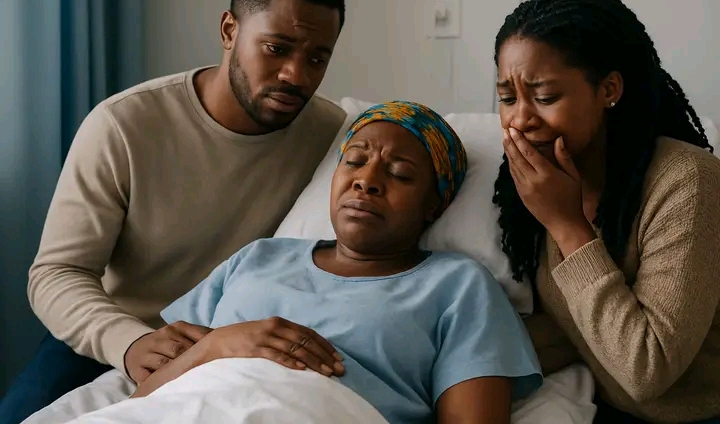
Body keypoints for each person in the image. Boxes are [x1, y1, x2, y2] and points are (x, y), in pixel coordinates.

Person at [0, 0, 348, 424]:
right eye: (276, 48)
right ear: (229, 31)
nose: (296, 75)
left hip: (237, 348)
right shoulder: (124, 125)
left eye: (317, 58)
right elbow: (57, 272)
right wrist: (130, 342)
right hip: (114, 336)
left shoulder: (331, 136)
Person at [86, 101, 542, 424]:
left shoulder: (458, 286)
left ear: (434, 205)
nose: (366, 181)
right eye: (355, 162)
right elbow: (147, 396)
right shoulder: (259, 256)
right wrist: (218, 344)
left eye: (399, 173)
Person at [491, 0, 720, 424]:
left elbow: (647, 371)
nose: (520, 118)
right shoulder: (540, 180)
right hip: (601, 408)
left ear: (609, 89)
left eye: (544, 97)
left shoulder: (688, 182)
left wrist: (567, 225)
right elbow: (571, 328)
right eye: (507, 98)